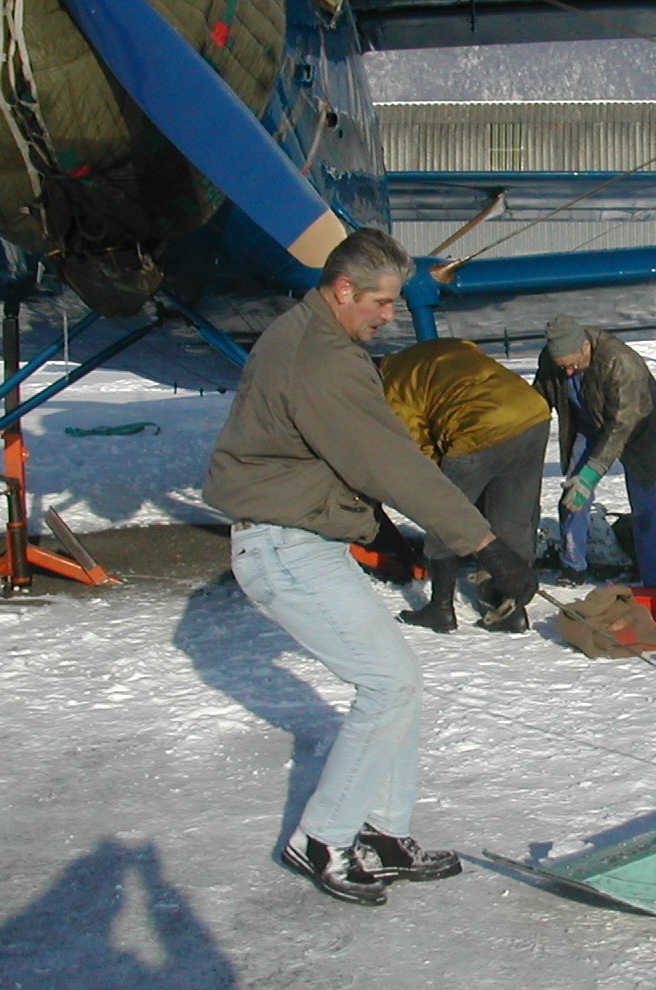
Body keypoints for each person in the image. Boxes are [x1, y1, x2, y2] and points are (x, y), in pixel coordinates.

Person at [203, 229, 537, 906]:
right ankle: (322, 839)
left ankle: (384, 833)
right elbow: (389, 461)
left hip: (303, 536)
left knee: (397, 682)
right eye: (382, 302)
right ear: (343, 289)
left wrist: (382, 531)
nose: (390, 316)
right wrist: (485, 544)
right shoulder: (322, 359)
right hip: (282, 546)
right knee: (388, 685)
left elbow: (332, 456)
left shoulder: (311, 337)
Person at [381, 338, 551, 634]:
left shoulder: (391, 386)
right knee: (512, 517)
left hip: (478, 426)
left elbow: (417, 443)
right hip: (531, 412)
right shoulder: (442, 347)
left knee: (445, 516)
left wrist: (442, 483)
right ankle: (510, 609)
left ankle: (440, 609)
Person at [534, 315, 656, 588]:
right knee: (573, 493)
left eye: (573, 365)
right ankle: (573, 564)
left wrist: (592, 473)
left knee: (645, 505)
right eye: (563, 367)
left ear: (586, 346)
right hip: (589, 425)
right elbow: (539, 396)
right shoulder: (553, 360)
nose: (569, 372)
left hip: (637, 428)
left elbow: (620, 425)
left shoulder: (620, 363)